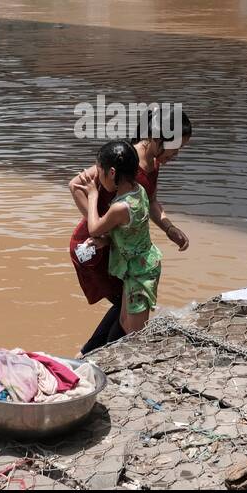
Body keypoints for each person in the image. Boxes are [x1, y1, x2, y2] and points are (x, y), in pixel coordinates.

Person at [69, 112, 192, 354]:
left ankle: (91, 354)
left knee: (125, 303)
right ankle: (97, 355)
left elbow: (152, 200)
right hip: (96, 245)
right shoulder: (125, 158)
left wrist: (169, 228)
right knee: (125, 304)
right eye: (175, 149)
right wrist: (103, 233)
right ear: (157, 138)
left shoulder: (153, 163)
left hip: (120, 245)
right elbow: (76, 185)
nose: (176, 156)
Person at [83, 141, 162, 337]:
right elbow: (131, 233)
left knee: (134, 333)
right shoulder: (139, 190)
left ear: (111, 173)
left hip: (140, 271)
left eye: (99, 173)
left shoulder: (120, 207)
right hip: (140, 265)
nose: (99, 180)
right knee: (125, 323)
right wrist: (106, 241)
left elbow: (93, 228)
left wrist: (92, 196)